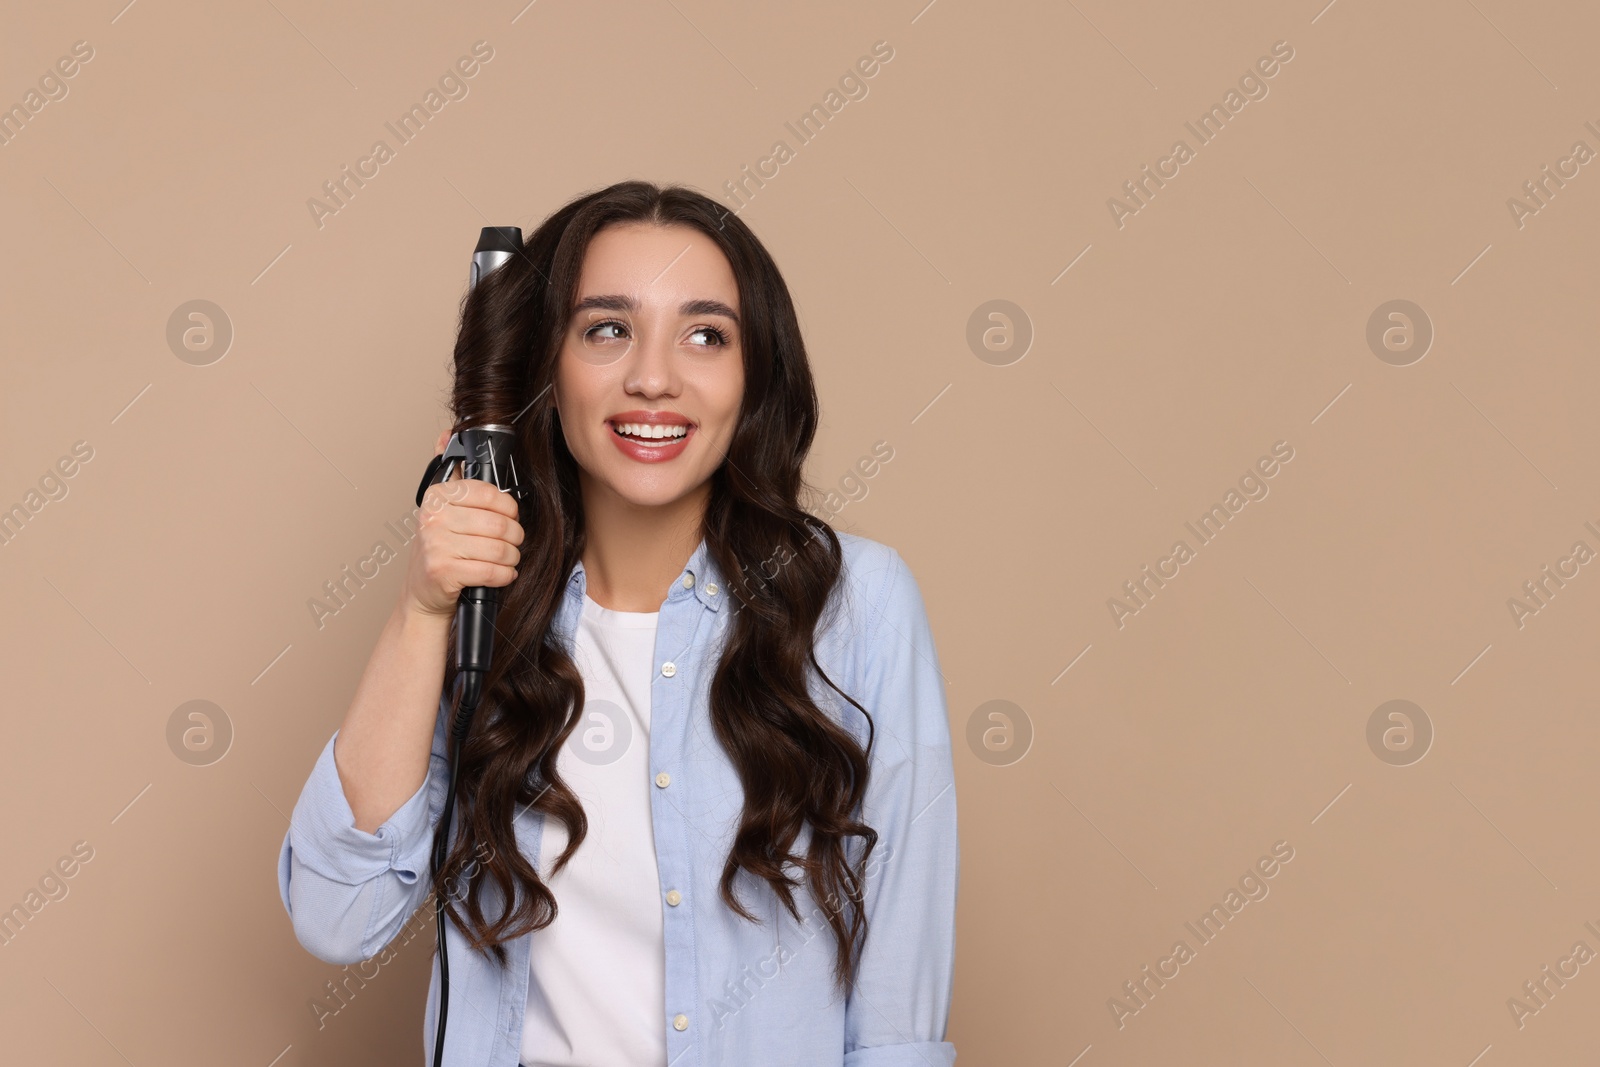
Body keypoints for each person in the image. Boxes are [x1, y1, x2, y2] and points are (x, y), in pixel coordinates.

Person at [275, 180, 959, 1067]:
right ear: (546, 371)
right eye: (607, 328)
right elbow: (338, 914)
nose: (653, 376)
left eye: (705, 334)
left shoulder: (856, 602)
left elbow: (900, 1010)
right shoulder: (491, 612)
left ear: (754, 380)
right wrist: (423, 609)